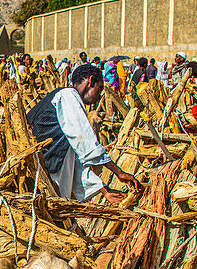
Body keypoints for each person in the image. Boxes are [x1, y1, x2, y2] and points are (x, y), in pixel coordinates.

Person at [27, 63, 141, 204]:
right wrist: (119, 172)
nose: (98, 97)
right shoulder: (67, 96)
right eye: (99, 89)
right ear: (91, 81)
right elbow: (84, 141)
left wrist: (105, 191)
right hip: (44, 177)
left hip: (48, 177)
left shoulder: (63, 98)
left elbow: (78, 159)